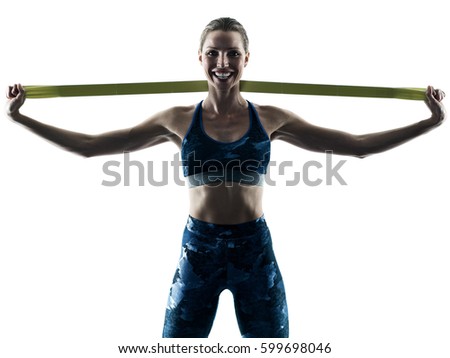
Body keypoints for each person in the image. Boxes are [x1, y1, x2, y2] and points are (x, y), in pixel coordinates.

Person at [5, 17, 446, 338]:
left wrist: (430, 122)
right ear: (200, 58)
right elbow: (91, 146)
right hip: (198, 248)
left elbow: (357, 145)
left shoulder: (272, 117)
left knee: (273, 347)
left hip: (255, 248)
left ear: (246, 59)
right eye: (213, 52)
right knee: (176, 346)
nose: (223, 61)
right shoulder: (176, 119)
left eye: (233, 52)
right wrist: (21, 118)